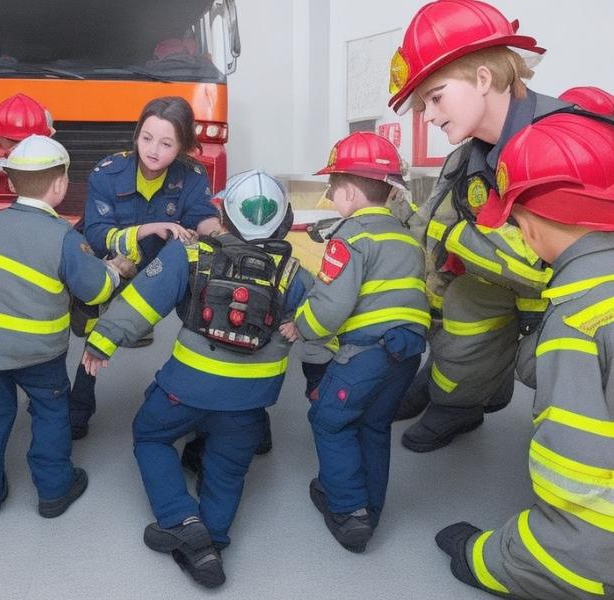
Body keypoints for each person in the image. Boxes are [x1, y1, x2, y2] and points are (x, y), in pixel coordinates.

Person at [82, 170, 311, 588]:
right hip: (249, 402)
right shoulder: (294, 274)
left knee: (150, 437)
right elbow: (320, 319)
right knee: (226, 470)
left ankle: (181, 522)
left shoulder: (189, 254)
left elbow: (140, 303)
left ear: (222, 216)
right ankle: (213, 543)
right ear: (285, 221)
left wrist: (102, 341)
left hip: (184, 390)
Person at [386, 0, 583, 452]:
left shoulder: (559, 140)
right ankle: (458, 400)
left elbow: (548, 259)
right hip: (500, 290)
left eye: (434, 98)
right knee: (463, 307)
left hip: (570, 305)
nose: (429, 116)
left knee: (556, 370)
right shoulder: (467, 154)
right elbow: (433, 224)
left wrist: (457, 239)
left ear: (482, 78)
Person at [435, 113, 614, 599]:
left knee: (478, 558)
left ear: (529, 228)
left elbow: (576, 478)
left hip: (586, 560)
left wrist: (497, 555)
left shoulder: (577, 321)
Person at [0, 135, 120, 519]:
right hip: (38, 353)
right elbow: (94, 291)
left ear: (11, 183)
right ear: (60, 185)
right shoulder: (62, 236)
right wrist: (114, 270)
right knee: (49, 412)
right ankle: (54, 491)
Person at [294, 133, 429, 553]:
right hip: (407, 353)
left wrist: (303, 325)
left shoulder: (350, 237)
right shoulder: (407, 238)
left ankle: (350, 512)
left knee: (329, 419)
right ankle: (371, 505)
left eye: (333, 190)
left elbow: (331, 305)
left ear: (349, 192)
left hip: (366, 352)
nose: (333, 198)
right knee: (373, 425)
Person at [69, 96, 221, 440]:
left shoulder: (193, 176)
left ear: (182, 146)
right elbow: (94, 235)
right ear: (137, 135)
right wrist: (148, 230)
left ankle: (215, 413)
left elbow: (203, 216)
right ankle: (78, 407)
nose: (153, 150)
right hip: (112, 266)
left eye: (167, 143)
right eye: (147, 138)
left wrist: (224, 233)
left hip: (166, 273)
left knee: (205, 322)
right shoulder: (107, 173)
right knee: (96, 331)